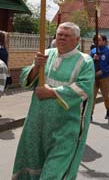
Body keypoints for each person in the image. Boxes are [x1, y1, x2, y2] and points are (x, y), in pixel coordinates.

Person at [11, 22, 95, 179]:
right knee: (31, 164)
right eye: (59, 34)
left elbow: (83, 88)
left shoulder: (85, 61)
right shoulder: (45, 54)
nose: (62, 38)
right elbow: (25, 81)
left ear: (77, 40)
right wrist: (36, 67)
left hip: (65, 127)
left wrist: (52, 93)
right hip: (37, 124)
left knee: (53, 173)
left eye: (67, 35)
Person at [90, 34, 109, 120]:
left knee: (105, 96)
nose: (97, 42)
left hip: (104, 77)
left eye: (100, 40)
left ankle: (108, 110)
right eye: (96, 40)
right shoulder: (93, 51)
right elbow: (88, 63)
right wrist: (93, 59)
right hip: (94, 78)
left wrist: (103, 71)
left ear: (104, 41)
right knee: (92, 96)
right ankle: (90, 114)